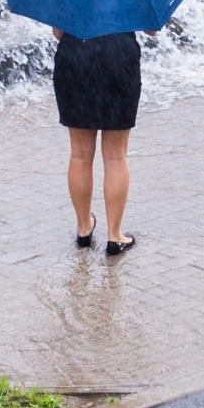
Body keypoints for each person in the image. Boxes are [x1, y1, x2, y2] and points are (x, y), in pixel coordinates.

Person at [52, 27, 154, 256]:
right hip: (118, 57)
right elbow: (152, 29)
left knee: (79, 154)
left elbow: (58, 33)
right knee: (115, 156)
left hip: (75, 56)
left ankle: (84, 228)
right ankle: (115, 237)